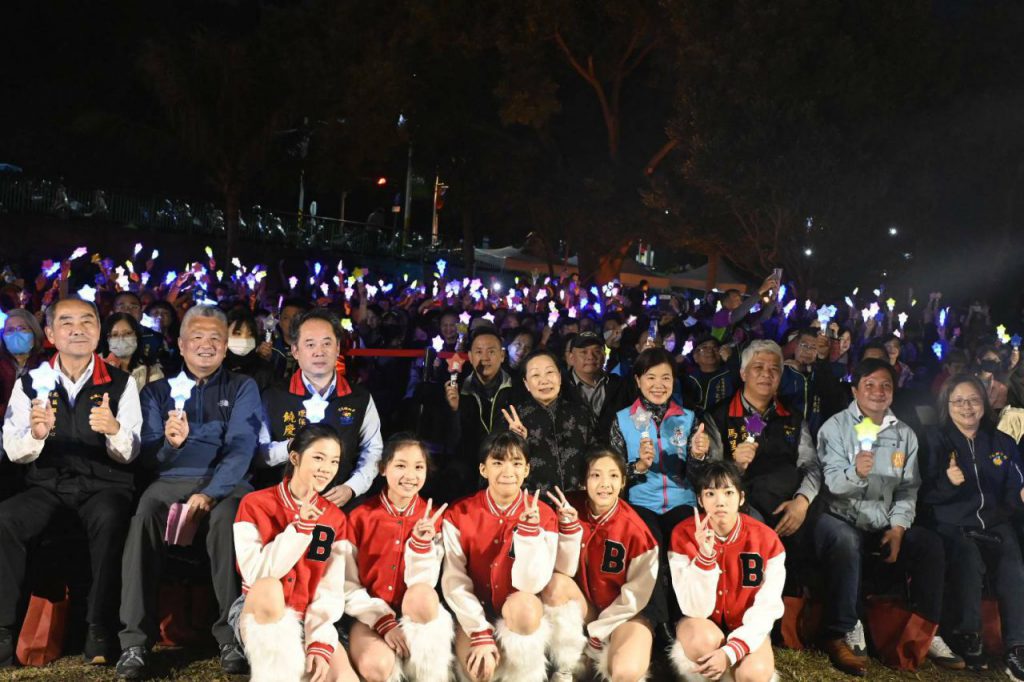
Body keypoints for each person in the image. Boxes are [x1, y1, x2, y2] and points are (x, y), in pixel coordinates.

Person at [116, 305, 262, 679]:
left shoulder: (242, 387)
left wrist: (211, 492)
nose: (206, 345)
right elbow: (149, 456)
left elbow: (242, 447)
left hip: (226, 485)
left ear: (226, 345)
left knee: (229, 518)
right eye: (196, 337)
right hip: (170, 481)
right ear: (180, 345)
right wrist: (172, 444)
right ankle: (134, 642)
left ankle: (232, 636)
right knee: (144, 513)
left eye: (215, 338)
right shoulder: (156, 391)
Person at [0, 297, 142, 666]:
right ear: (49, 333)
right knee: (6, 520)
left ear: (98, 331)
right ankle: (3, 632)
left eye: (87, 321)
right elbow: (13, 449)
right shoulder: (30, 382)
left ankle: (99, 629)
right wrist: (35, 434)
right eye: (66, 322)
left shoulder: (121, 383)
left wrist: (113, 431)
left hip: (103, 484)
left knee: (111, 519)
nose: (77, 329)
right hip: (47, 486)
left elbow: (130, 453)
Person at [814, 358, 960, 676]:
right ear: (855, 390)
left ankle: (925, 629)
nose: (878, 392)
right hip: (841, 517)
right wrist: (855, 472)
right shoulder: (835, 427)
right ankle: (844, 627)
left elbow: (908, 489)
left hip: (882, 521)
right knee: (845, 539)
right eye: (869, 385)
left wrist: (897, 529)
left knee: (928, 543)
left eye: (886, 386)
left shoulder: (904, 434)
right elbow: (832, 485)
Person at [230, 424, 357, 682]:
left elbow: (330, 589)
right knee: (269, 587)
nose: (326, 469)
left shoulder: (335, 518)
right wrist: (300, 529)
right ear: (295, 457)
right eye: (318, 458)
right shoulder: (254, 504)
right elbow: (256, 576)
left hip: (310, 615)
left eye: (334, 461)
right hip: (261, 609)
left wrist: (318, 642)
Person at [697, 340, 820, 598]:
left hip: (790, 503)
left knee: (825, 532)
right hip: (744, 504)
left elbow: (810, 465)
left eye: (774, 369)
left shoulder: (793, 417)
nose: (767, 374)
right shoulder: (718, 416)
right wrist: (734, 465)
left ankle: (800, 621)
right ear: (743, 374)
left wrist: (802, 501)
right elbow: (709, 476)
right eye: (758, 367)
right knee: (755, 529)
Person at [920, 374, 1024, 677]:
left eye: (974, 400)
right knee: (968, 558)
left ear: (985, 403)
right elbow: (924, 493)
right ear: (947, 404)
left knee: (1012, 564)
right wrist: (949, 483)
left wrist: (1018, 497)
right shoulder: (935, 440)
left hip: (994, 522)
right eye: (958, 401)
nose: (967, 407)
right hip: (953, 523)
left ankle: (1017, 646)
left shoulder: (1002, 441)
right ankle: (970, 635)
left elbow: (1014, 487)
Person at [441, 431, 559, 682]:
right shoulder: (459, 513)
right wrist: (479, 629)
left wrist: (529, 534)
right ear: (483, 469)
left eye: (516, 463)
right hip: (474, 612)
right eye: (498, 462)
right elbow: (454, 580)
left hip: (519, 612)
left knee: (525, 613)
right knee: (480, 673)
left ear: (527, 470)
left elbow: (532, 584)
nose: (508, 471)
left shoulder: (545, 515)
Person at [609, 347, 704, 644]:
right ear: (637, 380)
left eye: (666, 377)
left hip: (682, 500)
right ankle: (655, 622)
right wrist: (637, 466)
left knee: (684, 543)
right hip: (640, 502)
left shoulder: (689, 419)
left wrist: (699, 456)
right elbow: (612, 472)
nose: (659, 385)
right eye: (651, 377)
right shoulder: (623, 419)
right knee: (649, 546)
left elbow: (701, 475)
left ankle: (687, 618)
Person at [344, 434, 454, 682]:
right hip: (370, 615)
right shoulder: (360, 517)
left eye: (418, 467)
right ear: (383, 469)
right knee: (376, 668)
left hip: (418, 616)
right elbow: (346, 584)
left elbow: (424, 586)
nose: (410, 475)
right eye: (400, 465)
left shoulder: (435, 518)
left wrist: (422, 544)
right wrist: (382, 620)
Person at [668, 460, 784, 682]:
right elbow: (693, 608)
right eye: (710, 494)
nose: (720, 502)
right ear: (700, 500)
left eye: (728, 492)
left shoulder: (768, 540)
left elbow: (767, 607)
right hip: (700, 622)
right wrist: (705, 558)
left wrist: (731, 651)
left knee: (754, 675)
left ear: (741, 498)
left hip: (747, 623)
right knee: (703, 644)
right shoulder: (682, 534)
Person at [551, 447, 659, 682]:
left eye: (613, 475)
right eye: (595, 475)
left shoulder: (638, 531)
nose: (604, 484)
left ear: (622, 482)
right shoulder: (568, 509)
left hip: (624, 615)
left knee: (626, 672)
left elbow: (635, 597)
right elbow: (563, 572)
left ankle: (597, 654)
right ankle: (567, 663)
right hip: (586, 608)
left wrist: (598, 632)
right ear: (584, 481)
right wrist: (567, 531)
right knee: (556, 584)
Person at [258, 308, 383, 505]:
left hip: (339, 499)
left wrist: (352, 487)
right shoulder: (273, 396)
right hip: (284, 501)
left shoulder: (359, 397)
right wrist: (292, 446)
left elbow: (373, 449)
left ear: (338, 348)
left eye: (327, 343)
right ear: (295, 350)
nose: (319, 352)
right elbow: (260, 453)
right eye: (310, 344)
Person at [500, 349, 594, 493]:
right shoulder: (514, 418)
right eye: (535, 375)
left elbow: (597, 454)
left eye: (549, 372)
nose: (544, 380)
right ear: (526, 384)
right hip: (533, 504)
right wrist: (515, 441)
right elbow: (500, 465)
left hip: (578, 502)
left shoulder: (581, 413)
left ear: (560, 377)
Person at [444, 328, 516, 500]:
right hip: (468, 467)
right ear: (469, 356)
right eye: (478, 352)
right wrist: (454, 410)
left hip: (507, 464)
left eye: (491, 351)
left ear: (503, 355)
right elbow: (451, 441)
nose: (485, 358)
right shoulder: (457, 389)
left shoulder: (518, 388)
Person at [0, 309, 46, 501]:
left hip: (40, 428)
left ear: (34, 333)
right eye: (9, 330)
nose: (16, 334)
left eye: (21, 328)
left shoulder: (47, 364)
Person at [779, 327, 846, 438]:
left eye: (813, 347)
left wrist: (807, 368)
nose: (807, 351)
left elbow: (841, 370)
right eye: (804, 345)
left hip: (818, 439)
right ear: (795, 347)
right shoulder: (782, 373)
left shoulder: (821, 373)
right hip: (786, 439)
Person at [562, 330, 631, 434]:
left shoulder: (620, 385)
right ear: (571, 358)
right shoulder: (560, 388)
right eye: (583, 352)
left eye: (597, 351)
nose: (591, 357)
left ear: (604, 356)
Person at [99, 312, 164, 390]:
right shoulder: (94, 365)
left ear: (137, 335)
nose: (121, 339)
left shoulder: (152, 370)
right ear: (107, 339)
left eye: (128, 333)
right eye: (115, 335)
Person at [224, 308, 276, 393]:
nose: (244, 339)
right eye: (238, 333)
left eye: (250, 334)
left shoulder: (263, 370)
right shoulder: (215, 366)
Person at [682, 335, 738, 411]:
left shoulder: (730, 372)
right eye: (704, 347)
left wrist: (730, 360)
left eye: (714, 347)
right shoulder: (688, 380)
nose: (710, 350)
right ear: (695, 357)